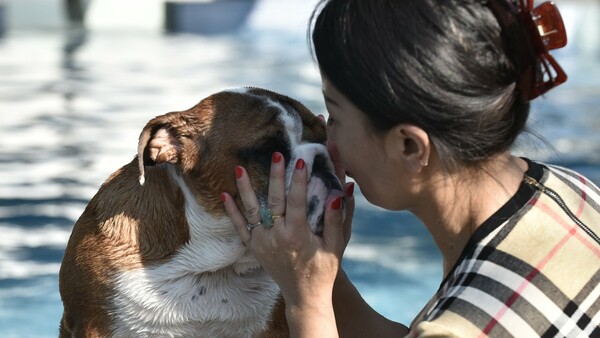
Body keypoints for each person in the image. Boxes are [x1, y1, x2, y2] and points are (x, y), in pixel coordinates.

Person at [221, 0, 600, 337]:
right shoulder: (575, 191)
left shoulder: (460, 328)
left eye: (334, 117)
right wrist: (317, 276)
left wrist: (305, 306)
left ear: (409, 146)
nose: (327, 142)